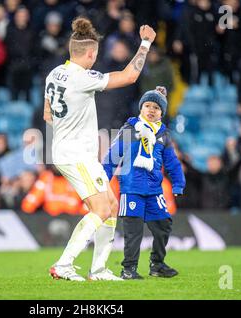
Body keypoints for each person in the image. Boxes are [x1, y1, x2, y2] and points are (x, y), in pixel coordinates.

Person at [44, 17, 156, 281]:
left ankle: (99, 270)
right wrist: (146, 43)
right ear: (91, 54)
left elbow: (47, 113)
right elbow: (130, 76)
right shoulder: (82, 78)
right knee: (101, 209)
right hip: (77, 154)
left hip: (66, 150)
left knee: (111, 203)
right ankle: (63, 264)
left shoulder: (54, 74)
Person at [103, 87, 185, 279]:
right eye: (147, 105)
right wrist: (103, 182)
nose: (151, 109)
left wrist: (178, 184)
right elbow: (112, 158)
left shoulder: (163, 135)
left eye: (156, 107)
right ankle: (128, 269)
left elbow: (172, 162)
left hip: (155, 191)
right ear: (141, 108)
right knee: (134, 233)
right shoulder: (130, 130)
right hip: (132, 189)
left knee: (163, 225)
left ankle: (157, 265)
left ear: (161, 113)